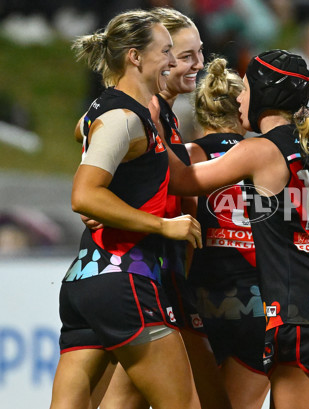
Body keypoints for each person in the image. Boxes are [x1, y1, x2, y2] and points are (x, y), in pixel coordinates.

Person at [165, 49, 309, 409]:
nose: (240, 99)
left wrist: (150, 122)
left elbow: (182, 179)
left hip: (293, 305)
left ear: (264, 93)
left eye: (246, 89)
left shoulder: (263, 150)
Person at [50, 9, 202, 409]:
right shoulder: (124, 117)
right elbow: (84, 195)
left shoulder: (121, 112)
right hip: (127, 279)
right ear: (135, 57)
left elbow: (86, 128)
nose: (173, 61)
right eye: (166, 51)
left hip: (88, 279)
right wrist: (163, 226)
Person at [95, 7, 234, 409]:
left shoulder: (163, 114)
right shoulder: (148, 110)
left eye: (199, 53)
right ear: (163, 57)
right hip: (139, 270)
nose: (198, 64)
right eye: (186, 55)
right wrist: (256, 157)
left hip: (158, 270)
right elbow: (94, 180)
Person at [186, 56, 270, 409]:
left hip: (202, 300)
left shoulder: (190, 155)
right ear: (242, 109)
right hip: (258, 303)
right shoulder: (266, 155)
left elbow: (183, 228)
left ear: (200, 110)